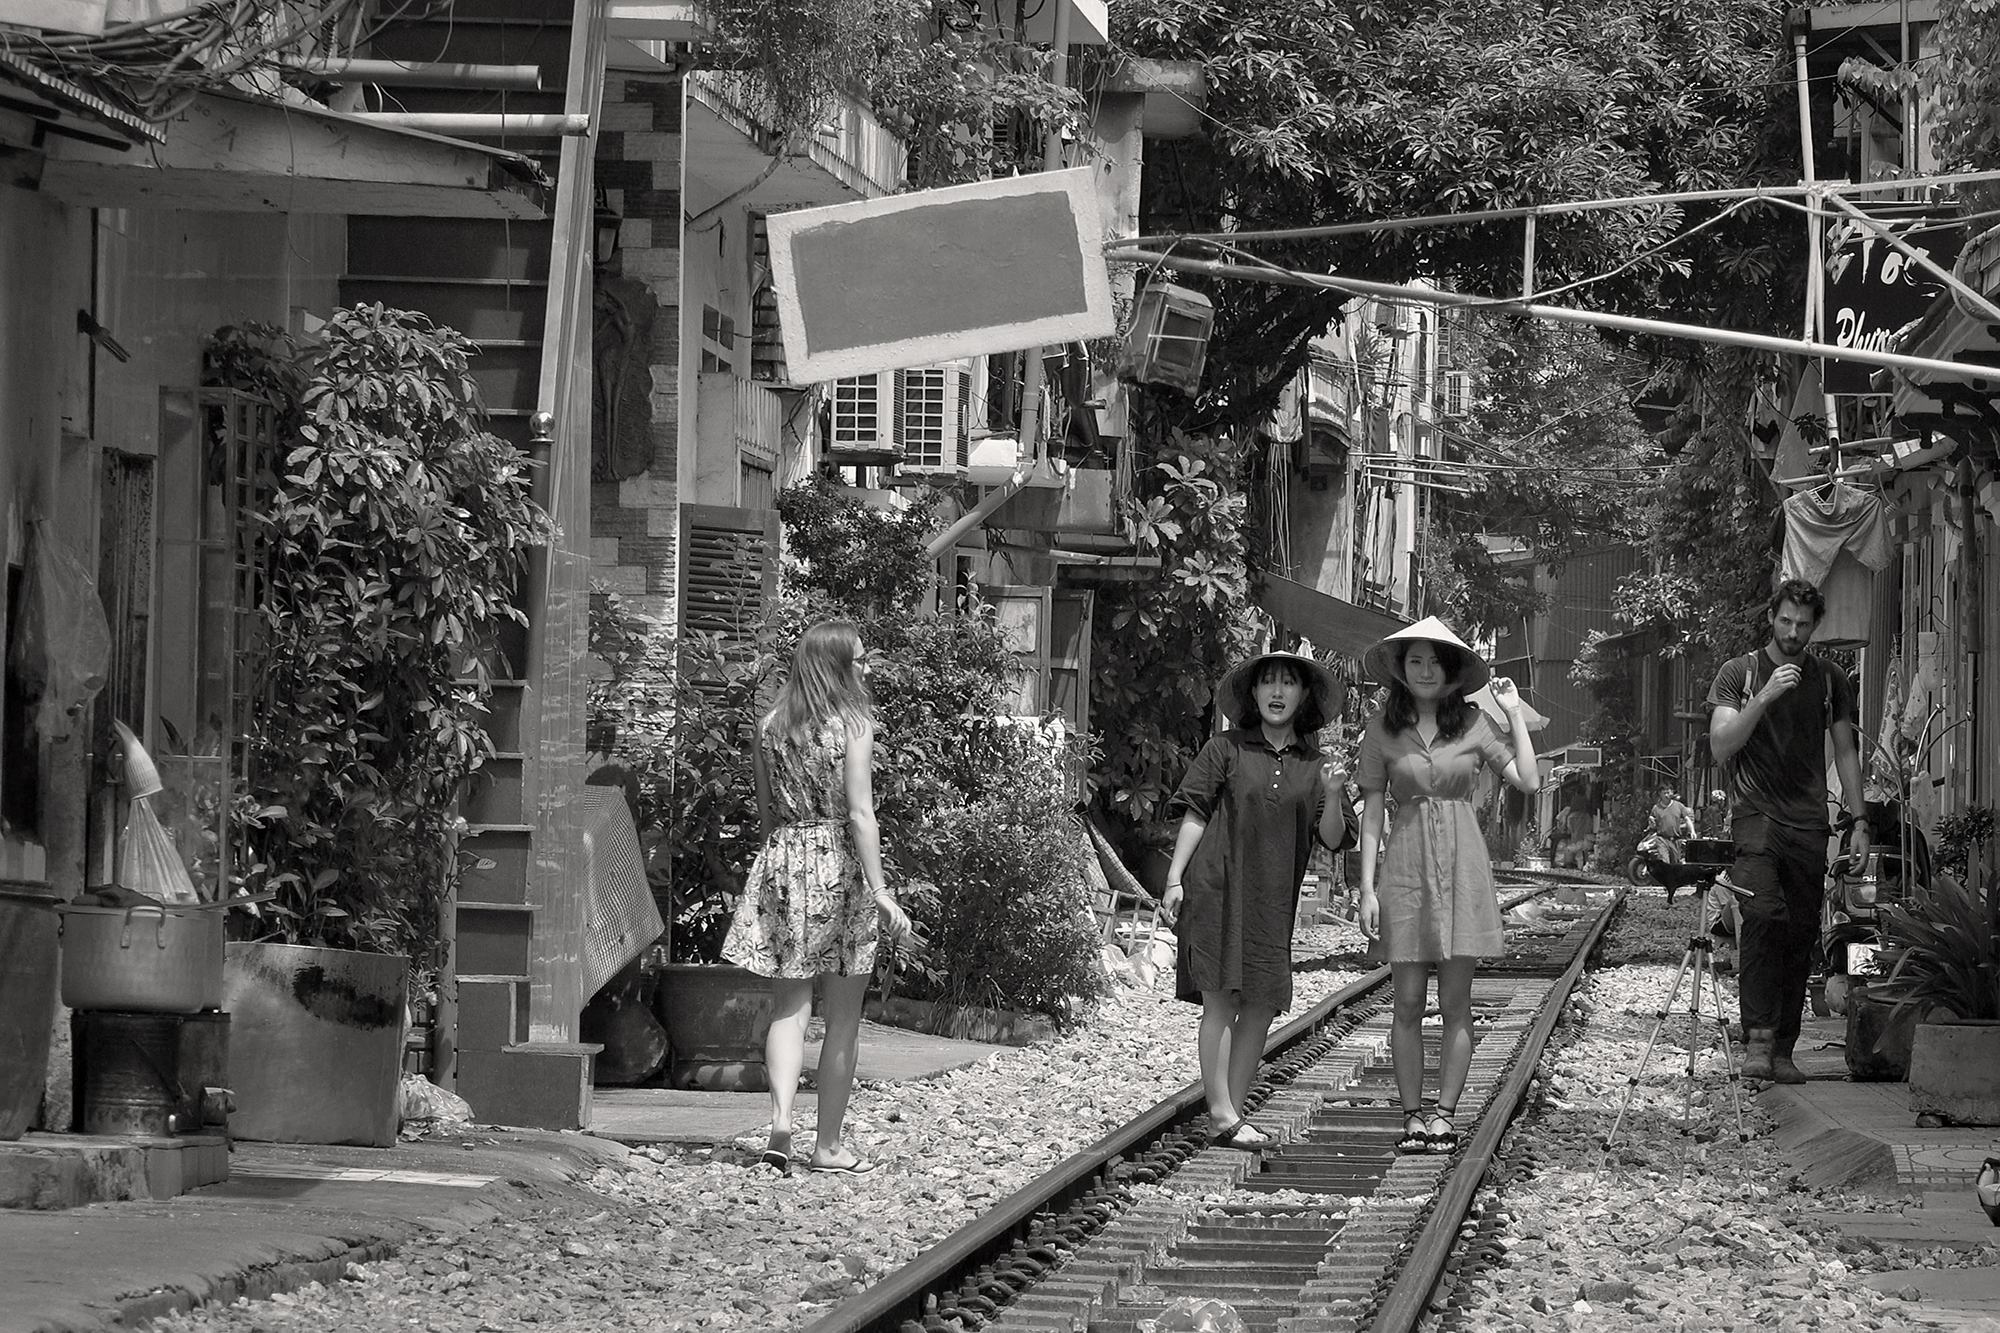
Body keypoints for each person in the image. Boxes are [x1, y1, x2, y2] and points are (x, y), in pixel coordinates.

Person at [721, 621, 912, 1174]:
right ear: (834, 667)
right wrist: (880, 890)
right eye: (858, 661)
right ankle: (827, 1146)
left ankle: (780, 1128)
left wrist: (781, 867)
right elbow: (859, 813)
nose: (867, 669)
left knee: (789, 1008)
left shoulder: (769, 726)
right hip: (839, 866)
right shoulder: (854, 724)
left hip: (783, 859)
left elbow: (765, 812)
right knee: (844, 1016)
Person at [1354, 617, 1540, 1155]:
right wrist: (1366, 890)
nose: (1427, 669)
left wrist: (1513, 715)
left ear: (1452, 670)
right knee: (1407, 1001)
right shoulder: (1382, 728)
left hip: (1463, 870)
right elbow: (1371, 814)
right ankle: (1411, 1115)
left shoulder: (1476, 723)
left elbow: (1528, 780)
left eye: (1436, 660)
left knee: (1457, 1002)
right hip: (1406, 872)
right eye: (1416, 660)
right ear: (1401, 670)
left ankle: (1444, 1114)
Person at [1161, 649, 1354, 1150]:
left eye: (1288, 683)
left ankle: (1231, 1115)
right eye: (1267, 682)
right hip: (1216, 887)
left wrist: (1333, 794)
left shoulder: (1317, 767)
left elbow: (1333, 840)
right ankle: (1223, 1113)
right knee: (1221, 1000)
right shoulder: (1224, 749)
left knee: (1264, 1005)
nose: (1276, 691)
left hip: (1272, 899)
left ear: (1303, 695)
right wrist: (1175, 878)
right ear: (1252, 693)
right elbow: (1196, 813)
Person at [1707, 579, 1867, 1084]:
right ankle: (1756, 1039)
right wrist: (1766, 696)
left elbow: (1845, 751)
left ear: (1815, 626)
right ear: (1771, 618)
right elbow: (1721, 745)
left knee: (1800, 932)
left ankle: (1783, 1048)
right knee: (1760, 917)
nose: (1793, 632)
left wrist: (1859, 822)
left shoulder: (1830, 679)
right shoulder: (1741, 673)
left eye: (1803, 625)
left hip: (1808, 822)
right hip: (1754, 816)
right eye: (1784, 622)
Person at [1649, 785, 1697, 863]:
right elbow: (1652, 824)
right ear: (1660, 794)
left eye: (1668, 792)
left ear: (1672, 793)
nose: (1666, 795)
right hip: (1662, 839)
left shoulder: (1679, 806)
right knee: (1664, 862)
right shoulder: (1656, 808)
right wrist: (1651, 822)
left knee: (1675, 864)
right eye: (1664, 793)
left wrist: (1692, 831)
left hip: (1675, 840)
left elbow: (1687, 819)